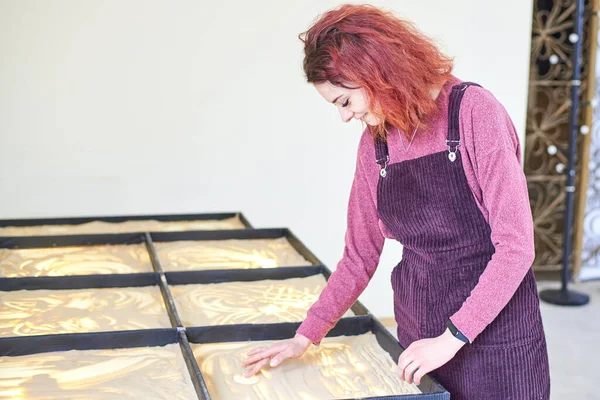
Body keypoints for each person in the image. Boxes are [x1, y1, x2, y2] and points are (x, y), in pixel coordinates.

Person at [242, 4, 550, 399]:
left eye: (344, 102)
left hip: (494, 337)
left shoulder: (475, 113)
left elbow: (516, 248)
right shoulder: (376, 145)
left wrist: (453, 336)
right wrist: (305, 335)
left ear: (377, 73)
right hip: (418, 330)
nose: (344, 117)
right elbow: (358, 256)